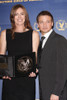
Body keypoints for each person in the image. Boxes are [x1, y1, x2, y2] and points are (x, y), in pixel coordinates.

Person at [0, 4, 39, 100]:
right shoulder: (5, 33)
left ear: (26, 16)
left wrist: (34, 69)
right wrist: (3, 72)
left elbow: (35, 56)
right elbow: (2, 55)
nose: (19, 17)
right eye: (16, 14)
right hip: (10, 80)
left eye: (22, 14)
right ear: (12, 17)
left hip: (27, 79)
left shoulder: (33, 34)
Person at [37, 11, 67, 100]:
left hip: (56, 94)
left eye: (48, 21)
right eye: (41, 22)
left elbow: (63, 68)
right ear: (38, 25)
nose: (44, 25)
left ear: (52, 23)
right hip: (44, 91)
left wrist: (56, 92)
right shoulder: (39, 42)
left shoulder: (60, 40)